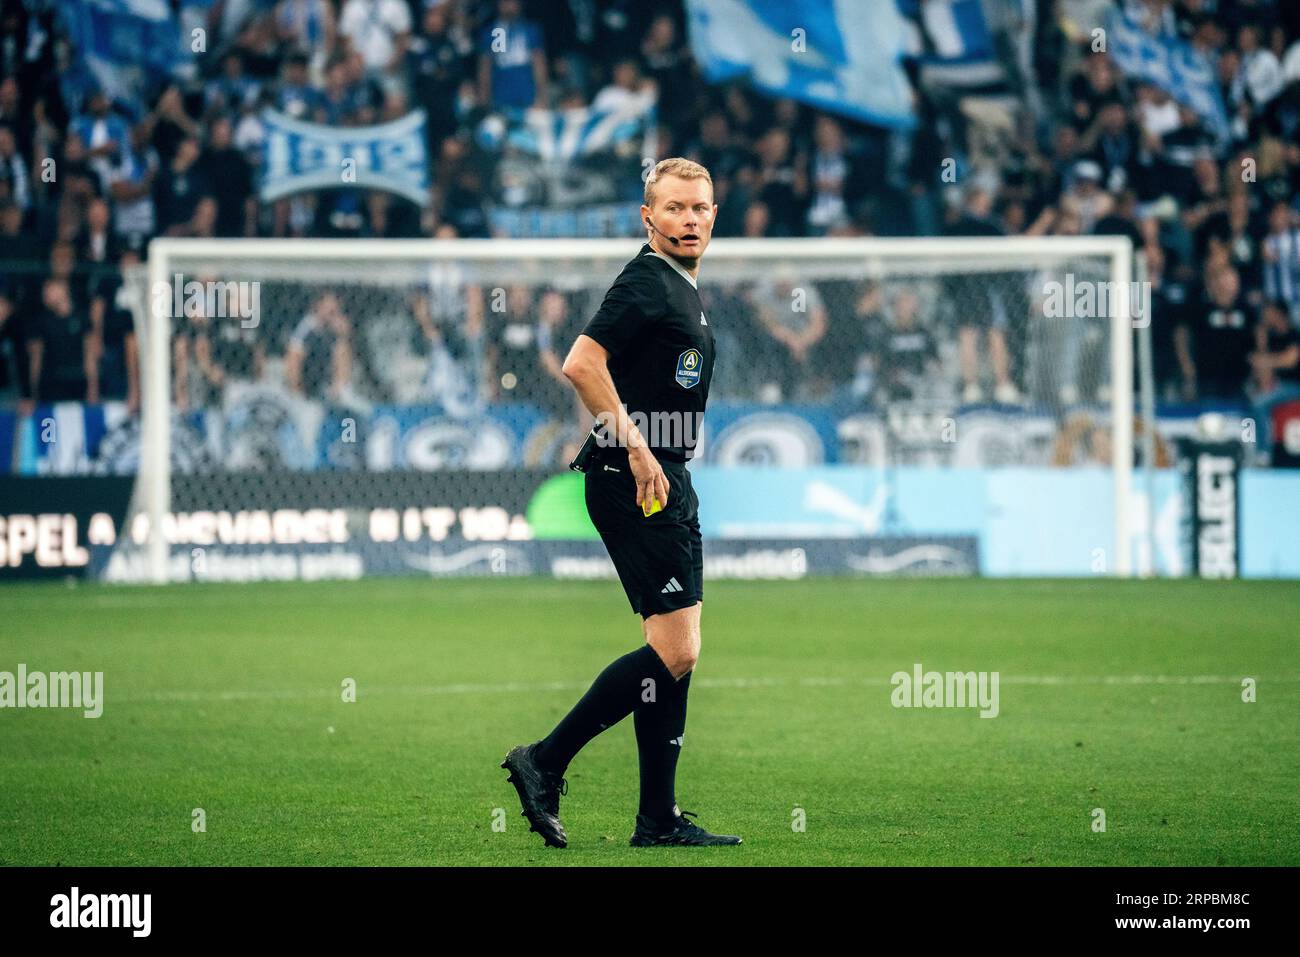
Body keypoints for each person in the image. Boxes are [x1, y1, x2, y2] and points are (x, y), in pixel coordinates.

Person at [500, 158, 740, 849]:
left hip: (664, 473)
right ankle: (543, 760)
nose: (689, 219)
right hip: (633, 476)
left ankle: (657, 820)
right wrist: (635, 445)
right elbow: (581, 362)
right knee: (676, 647)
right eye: (674, 208)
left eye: (700, 208)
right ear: (648, 217)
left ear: (713, 214)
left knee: (676, 653)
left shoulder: (681, 288)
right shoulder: (645, 279)